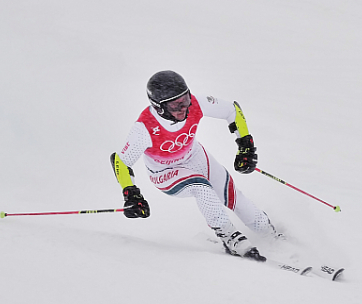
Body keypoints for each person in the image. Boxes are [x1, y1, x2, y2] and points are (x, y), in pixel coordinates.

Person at [110, 70, 279, 262]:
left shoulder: (195, 104)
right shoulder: (144, 128)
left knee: (233, 195)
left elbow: (232, 110)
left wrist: (246, 146)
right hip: (165, 172)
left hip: (196, 156)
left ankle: (269, 233)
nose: (184, 108)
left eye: (185, 99)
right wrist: (131, 193)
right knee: (201, 187)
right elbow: (120, 161)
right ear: (159, 107)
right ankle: (228, 235)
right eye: (176, 105)